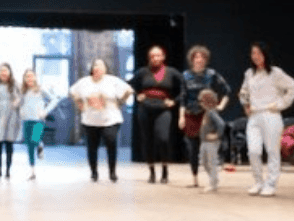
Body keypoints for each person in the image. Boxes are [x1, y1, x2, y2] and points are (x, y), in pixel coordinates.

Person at [237, 41, 294, 197]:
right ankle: (258, 182)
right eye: (253, 53)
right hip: (254, 116)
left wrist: (281, 104)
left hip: (271, 115)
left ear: (265, 54)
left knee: (272, 151)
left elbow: (293, 86)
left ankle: (270, 184)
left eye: (259, 53)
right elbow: (243, 91)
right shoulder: (249, 73)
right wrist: (245, 104)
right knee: (253, 151)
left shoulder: (275, 73)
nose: (255, 56)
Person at [69, 58, 133, 183]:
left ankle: (112, 172)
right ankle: (94, 172)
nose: (97, 68)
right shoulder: (84, 82)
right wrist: (79, 103)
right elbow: (73, 91)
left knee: (111, 142)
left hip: (111, 119)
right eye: (95, 65)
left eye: (100, 65)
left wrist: (121, 102)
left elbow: (128, 90)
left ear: (105, 69)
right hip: (90, 120)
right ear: (92, 69)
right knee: (92, 147)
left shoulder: (112, 81)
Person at [129, 45, 184, 184]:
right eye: (152, 56)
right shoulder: (143, 72)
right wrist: (137, 95)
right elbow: (129, 84)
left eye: (158, 55)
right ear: (149, 58)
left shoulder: (171, 72)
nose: (155, 58)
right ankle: (152, 172)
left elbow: (184, 87)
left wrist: (174, 101)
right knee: (147, 140)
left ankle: (165, 170)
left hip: (163, 109)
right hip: (145, 108)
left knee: (163, 138)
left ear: (163, 57)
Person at [178, 45, 231, 188]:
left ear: (206, 59)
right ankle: (195, 179)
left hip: (207, 116)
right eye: (196, 57)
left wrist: (220, 106)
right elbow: (182, 98)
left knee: (209, 150)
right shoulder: (185, 75)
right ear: (192, 59)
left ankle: (212, 179)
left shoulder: (211, 74)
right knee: (192, 149)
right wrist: (181, 117)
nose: (199, 60)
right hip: (190, 114)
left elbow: (227, 90)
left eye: (202, 57)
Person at [17, 69, 56, 180]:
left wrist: (45, 111)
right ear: (24, 79)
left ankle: (40, 145)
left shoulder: (41, 89)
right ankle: (32, 171)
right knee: (29, 146)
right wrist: (20, 111)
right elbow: (19, 103)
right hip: (26, 120)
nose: (29, 78)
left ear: (35, 77)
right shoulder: (22, 91)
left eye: (31, 76)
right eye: (27, 76)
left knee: (34, 141)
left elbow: (53, 100)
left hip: (38, 120)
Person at [0, 63, 21, 179]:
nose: (3, 72)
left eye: (5, 70)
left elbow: (20, 98)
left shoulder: (15, 84)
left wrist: (15, 103)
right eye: (1, 70)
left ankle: (8, 170)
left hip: (11, 115)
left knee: (9, 143)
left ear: (10, 72)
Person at [197, 89, 225, 193]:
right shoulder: (207, 112)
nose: (200, 104)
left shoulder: (212, 112)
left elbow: (221, 124)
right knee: (204, 162)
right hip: (204, 141)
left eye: (202, 101)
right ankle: (214, 179)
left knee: (211, 162)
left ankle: (213, 184)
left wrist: (216, 135)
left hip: (211, 142)